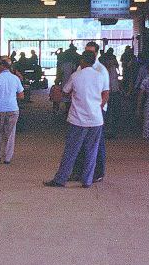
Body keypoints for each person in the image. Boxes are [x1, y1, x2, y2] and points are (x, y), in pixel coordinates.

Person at [44, 51, 108, 188]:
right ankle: (87, 180)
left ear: (82, 61)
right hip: (96, 119)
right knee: (92, 151)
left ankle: (61, 179)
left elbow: (65, 92)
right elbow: (103, 94)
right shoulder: (100, 76)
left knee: (71, 151)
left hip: (78, 119)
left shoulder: (76, 76)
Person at [0, 58, 24, 164]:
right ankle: (8, 157)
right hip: (13, 109)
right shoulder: (15, 78)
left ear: (2, 66)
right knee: (10, 133)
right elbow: (21, 95)